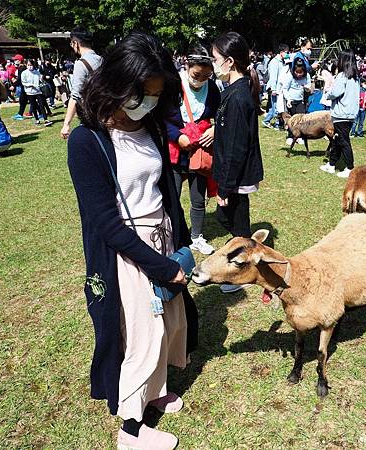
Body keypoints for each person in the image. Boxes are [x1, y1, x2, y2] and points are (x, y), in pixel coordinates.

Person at [67, 32, 198, 450]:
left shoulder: (152, 127)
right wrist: (158, 265)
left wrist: (178, 247)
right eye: (143, 94)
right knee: (143, 332)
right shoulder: (87, 141)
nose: (149, 104)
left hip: (161, 235)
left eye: (158, 95)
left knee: (171, 322)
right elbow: (105, 222)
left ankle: (156, 389)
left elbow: (164, 188)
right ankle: (130, 429)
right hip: (127, 248)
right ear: (118, 85)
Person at [211, 31, 264, 294]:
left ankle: (241, 272)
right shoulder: (233, 92)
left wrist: (225, 187)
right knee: (229, 220)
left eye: (215, 59)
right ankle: (243, 257)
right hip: (231, 174)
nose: (213, 64)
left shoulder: (239, 96)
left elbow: (236, 149)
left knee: (238, 226)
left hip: (236, 176)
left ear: (229, 61)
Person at [165, 45, 221, 256]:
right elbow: (162, 119)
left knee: (198, 198)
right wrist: (177, 136)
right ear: (187, 65)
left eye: (207, 76)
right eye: (198, 74)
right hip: (176, 151)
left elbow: (222, 115)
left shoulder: (213, 89)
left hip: (201, 152)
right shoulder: (173, 86)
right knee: (173, 196)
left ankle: (197, 236)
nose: (201, 80)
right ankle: (173, 236)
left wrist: (215, 129)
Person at [320, 49, 360, 178]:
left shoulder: (342, 76)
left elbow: (335, 92)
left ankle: (350, 168)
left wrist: (327, 93)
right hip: (350, 114)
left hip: (341, 114)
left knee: (343, 141)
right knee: (337, 139)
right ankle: (331, 165)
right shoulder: (355, 77)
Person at [61, 27, 102, 139]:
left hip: (91, 116)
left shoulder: (81, 64)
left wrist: (66, 124)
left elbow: (75, 96)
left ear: (75, 43)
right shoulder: (102, 60)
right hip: (106, 112)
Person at [282, 57, 313, 147]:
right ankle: (290, 136)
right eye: (297, 72)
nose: (299, 74)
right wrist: (288, 99)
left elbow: (309, 86)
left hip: (300, 100)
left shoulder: (307, 76)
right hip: (291, 100)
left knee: (300, 119)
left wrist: (306, 88)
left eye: (301, 72)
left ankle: (299, 136)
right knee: (291, 119)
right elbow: (285, 88)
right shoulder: (290, 76)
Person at [262, 43, 289, 129]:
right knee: (276, 107)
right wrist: (273, 89)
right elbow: (273, 77)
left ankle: (270, 121)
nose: (287, 54)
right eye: (286, 52)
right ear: (281, 52)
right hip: (275, 88)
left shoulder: (282, 62)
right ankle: (273, 123)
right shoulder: (274, 62)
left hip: (279, 88)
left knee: (276, 107)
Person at [21, 59, 53, 127]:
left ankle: (45, 119)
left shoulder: (37, 72)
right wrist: (30, 85)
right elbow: (23, 82)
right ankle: (37, 119)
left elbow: (40, 80)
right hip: (29, 92)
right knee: (33, 105)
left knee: (42, 105)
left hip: (38, 91)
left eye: (31, 65)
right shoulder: (24, 73)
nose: (30, 66)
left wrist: (41, 80)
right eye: (28, 65)